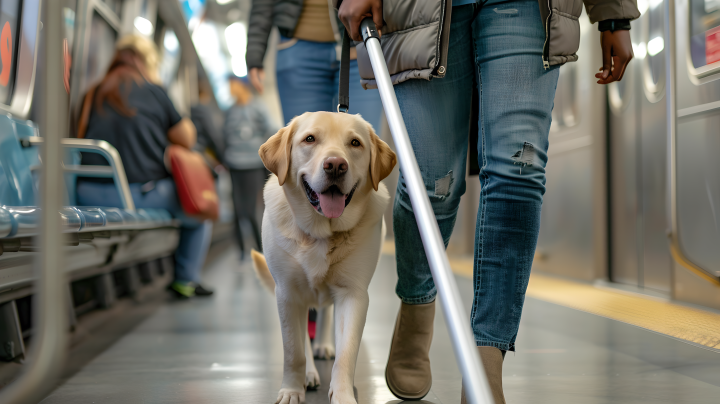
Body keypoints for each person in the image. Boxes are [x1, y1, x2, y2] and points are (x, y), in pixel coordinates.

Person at [337, 0, 638, 402]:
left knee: (520, 172)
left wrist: (614, 12)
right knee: (433, 185)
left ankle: (486, 361)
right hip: (417, 9)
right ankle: (416, 305)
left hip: (529, 7)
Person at [75, 35, 215, 299]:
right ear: (144, 62)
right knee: (200, 212)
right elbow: (188, 138)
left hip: (87, 193)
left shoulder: (91, 92)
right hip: (136, 194)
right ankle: (185, 280)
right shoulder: (154, 91)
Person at [245, 0, 382, 130]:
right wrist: (255, 50)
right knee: (306, 144)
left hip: (357, 45)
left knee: (362, 138)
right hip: (298, 52)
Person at [223, 75, 278, 259]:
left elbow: (271, 130)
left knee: (255, 210)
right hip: (234, 165)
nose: (230, 89)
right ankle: (241, 252)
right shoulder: (229, 111)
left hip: (253, 164)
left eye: (233, 85)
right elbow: (224, 135)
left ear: (242, 85)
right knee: (238, 210)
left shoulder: (258, 107)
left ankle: (262, 251)